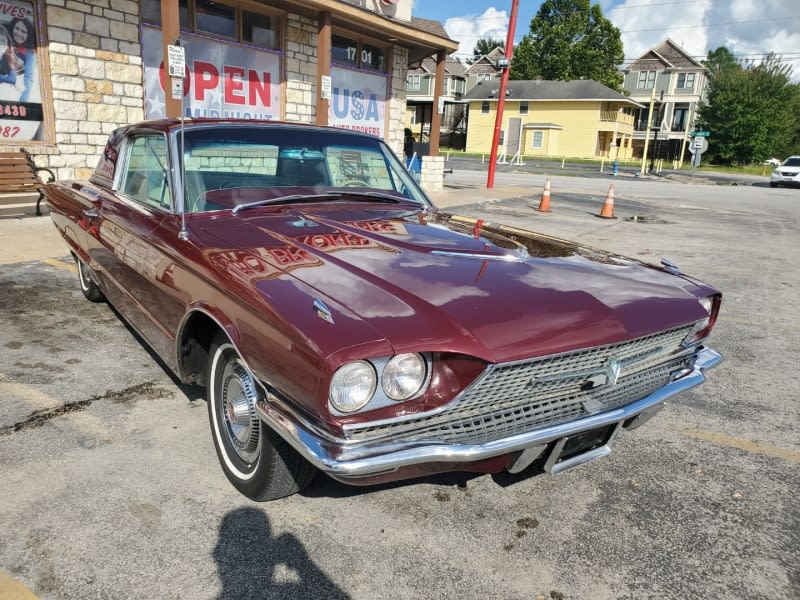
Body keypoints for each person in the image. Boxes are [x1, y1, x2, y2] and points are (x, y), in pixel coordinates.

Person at [7, 17, 35, 102]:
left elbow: (28, 77)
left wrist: (23, 101)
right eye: (17, 28)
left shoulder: (29, 53)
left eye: (23, 31)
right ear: (12, 28)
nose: (19, 33)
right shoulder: (5, 41)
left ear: (28, 34)